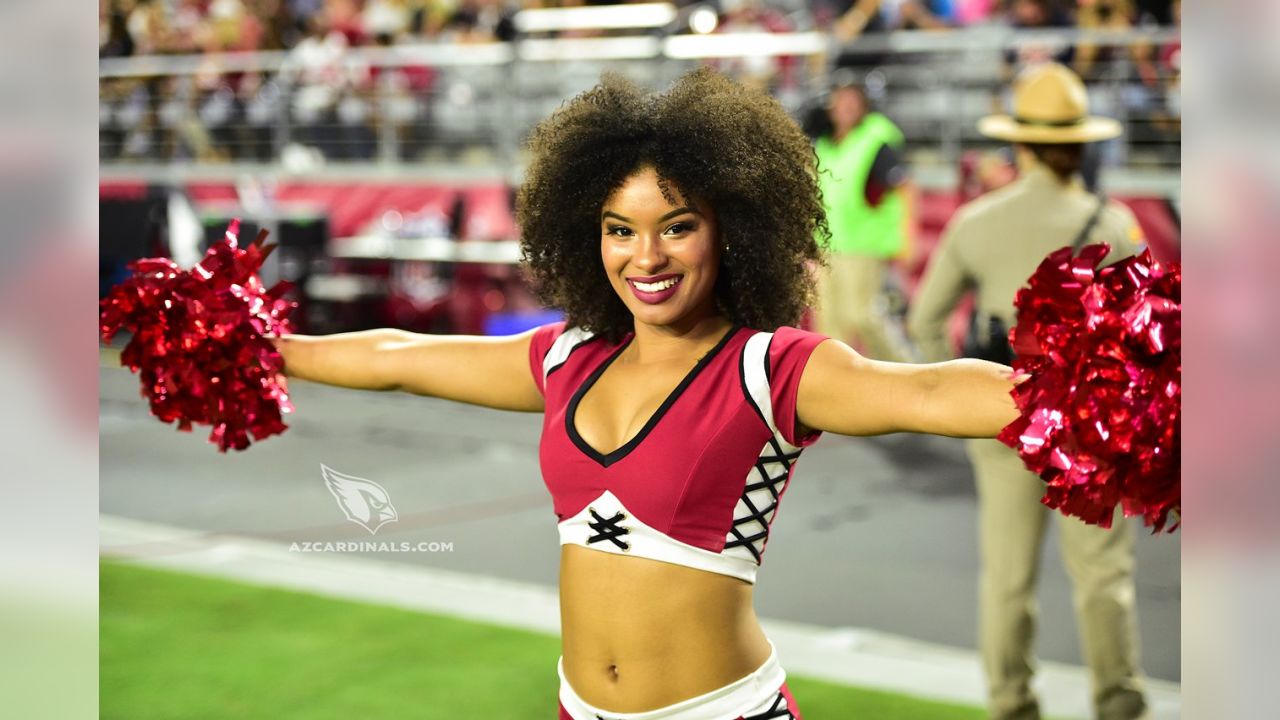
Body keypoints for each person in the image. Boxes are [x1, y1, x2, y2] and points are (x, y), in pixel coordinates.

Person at [274, 68, 1020, 720]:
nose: (647, 256)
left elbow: (926, 392)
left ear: (731, 232)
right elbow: (401, 358)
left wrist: (1082, 395)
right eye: (619, 230)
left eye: (678, 227)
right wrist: (272, 351)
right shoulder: (565, 358)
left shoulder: (771, 369)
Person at [907, 63, 1149, 720]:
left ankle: (1012, 705)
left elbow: (926, 321)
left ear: (1019, 143)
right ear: (1080, 144)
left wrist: (963, 401)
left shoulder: (977, 221)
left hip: (1003, 413)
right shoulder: (1115, 222)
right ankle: (1120, 704)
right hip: (1087, 424)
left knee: (1008, 580)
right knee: (1103, 578)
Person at [813, 69, 916, 362]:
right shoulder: (826, 142)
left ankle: (904, 371)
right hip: (827, 245)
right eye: (840, 100)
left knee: (864, 316)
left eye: (852, 101)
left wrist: (909, 235)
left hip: (863, 246)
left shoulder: (876, 139)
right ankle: (837, 384)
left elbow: (906, 188)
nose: (845, 107)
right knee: (828, 324)